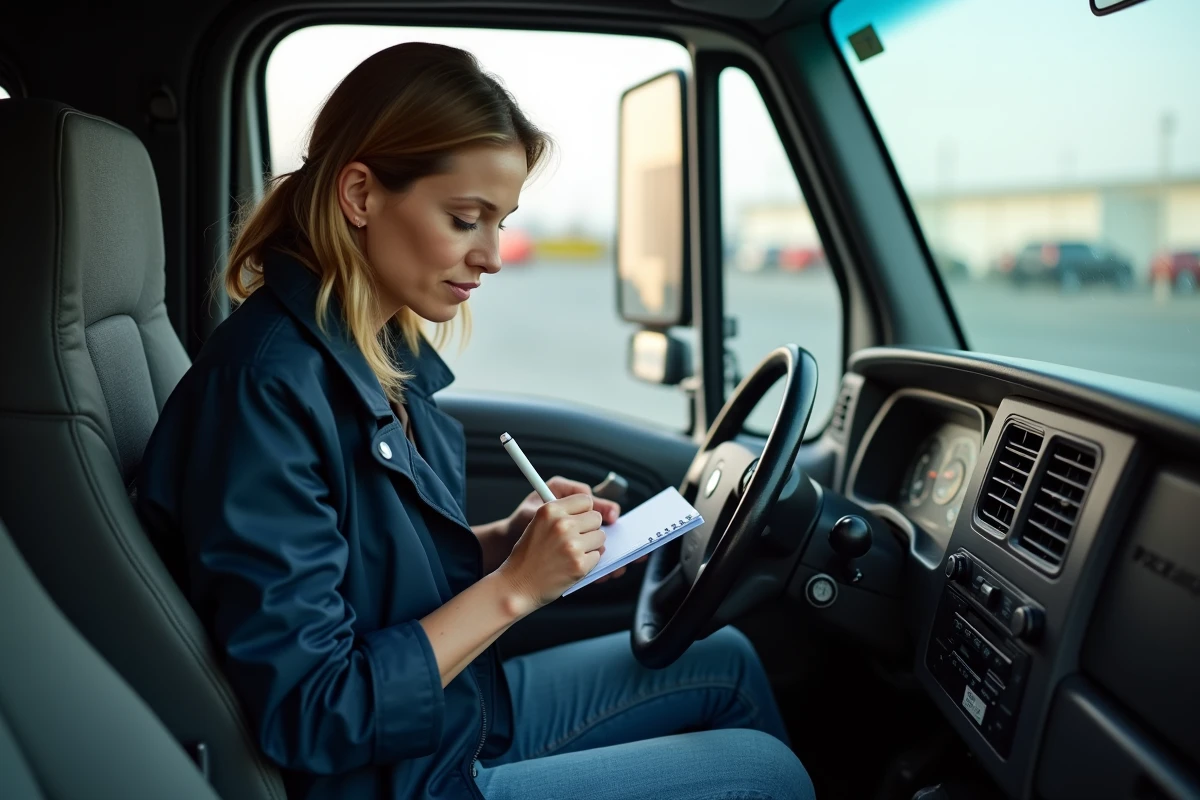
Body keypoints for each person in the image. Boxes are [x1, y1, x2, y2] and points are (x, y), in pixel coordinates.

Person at [137, 41, 815, 800]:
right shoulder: (264, 391)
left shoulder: (372, 351)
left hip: (449, 724)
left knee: (725, 658)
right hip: (396, 778)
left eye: (502, 221)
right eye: (466, 219)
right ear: (360, 195)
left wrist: (504, 544)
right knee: (767, 776)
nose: (492, 256)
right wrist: (515, 589)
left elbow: (366, 578)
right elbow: (312, 712)